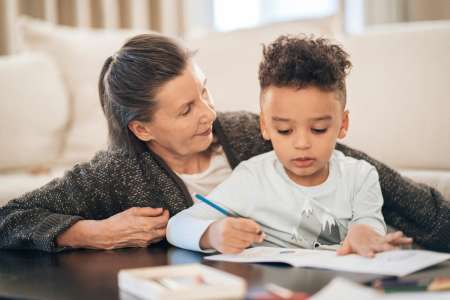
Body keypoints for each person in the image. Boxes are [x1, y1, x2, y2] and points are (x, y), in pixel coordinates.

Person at [0, 33, 448, 253]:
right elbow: (10, 218)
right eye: (185, 110)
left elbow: (370, 174)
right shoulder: (116, 172)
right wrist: (92, 233)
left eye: (205, 92)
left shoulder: (244, 132)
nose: (208, 114)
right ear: (143, 129)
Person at [166, 35, 413, 257]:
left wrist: (364, 233)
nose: (302, 144)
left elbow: (369, 225)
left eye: (318, 129)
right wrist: (213, 233)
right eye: (284, 130)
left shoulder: (360, 176)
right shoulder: (252, 179)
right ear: (264, 126)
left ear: (343, 124)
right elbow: (177, 225)